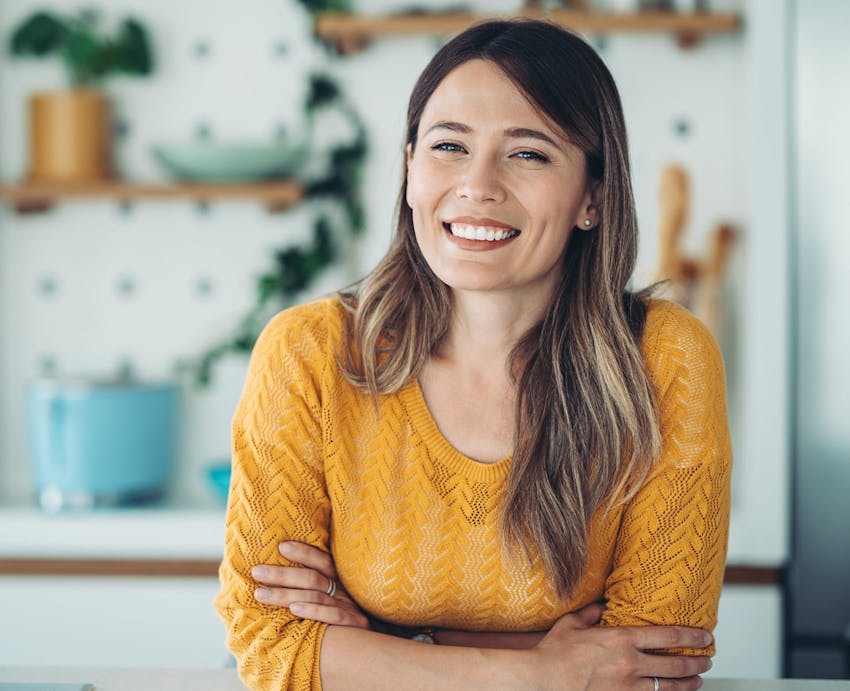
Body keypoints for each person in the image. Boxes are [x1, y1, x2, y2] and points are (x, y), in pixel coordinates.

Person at [214, 18, 732, 691]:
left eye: (528, 154)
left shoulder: (664, 358)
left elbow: (651, 666)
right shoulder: (308, 355)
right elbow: (268, 644)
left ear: (593, 197)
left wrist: (387, 646)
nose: (477, 185)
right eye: (449, 145)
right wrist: (534, 672)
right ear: (408, 170)